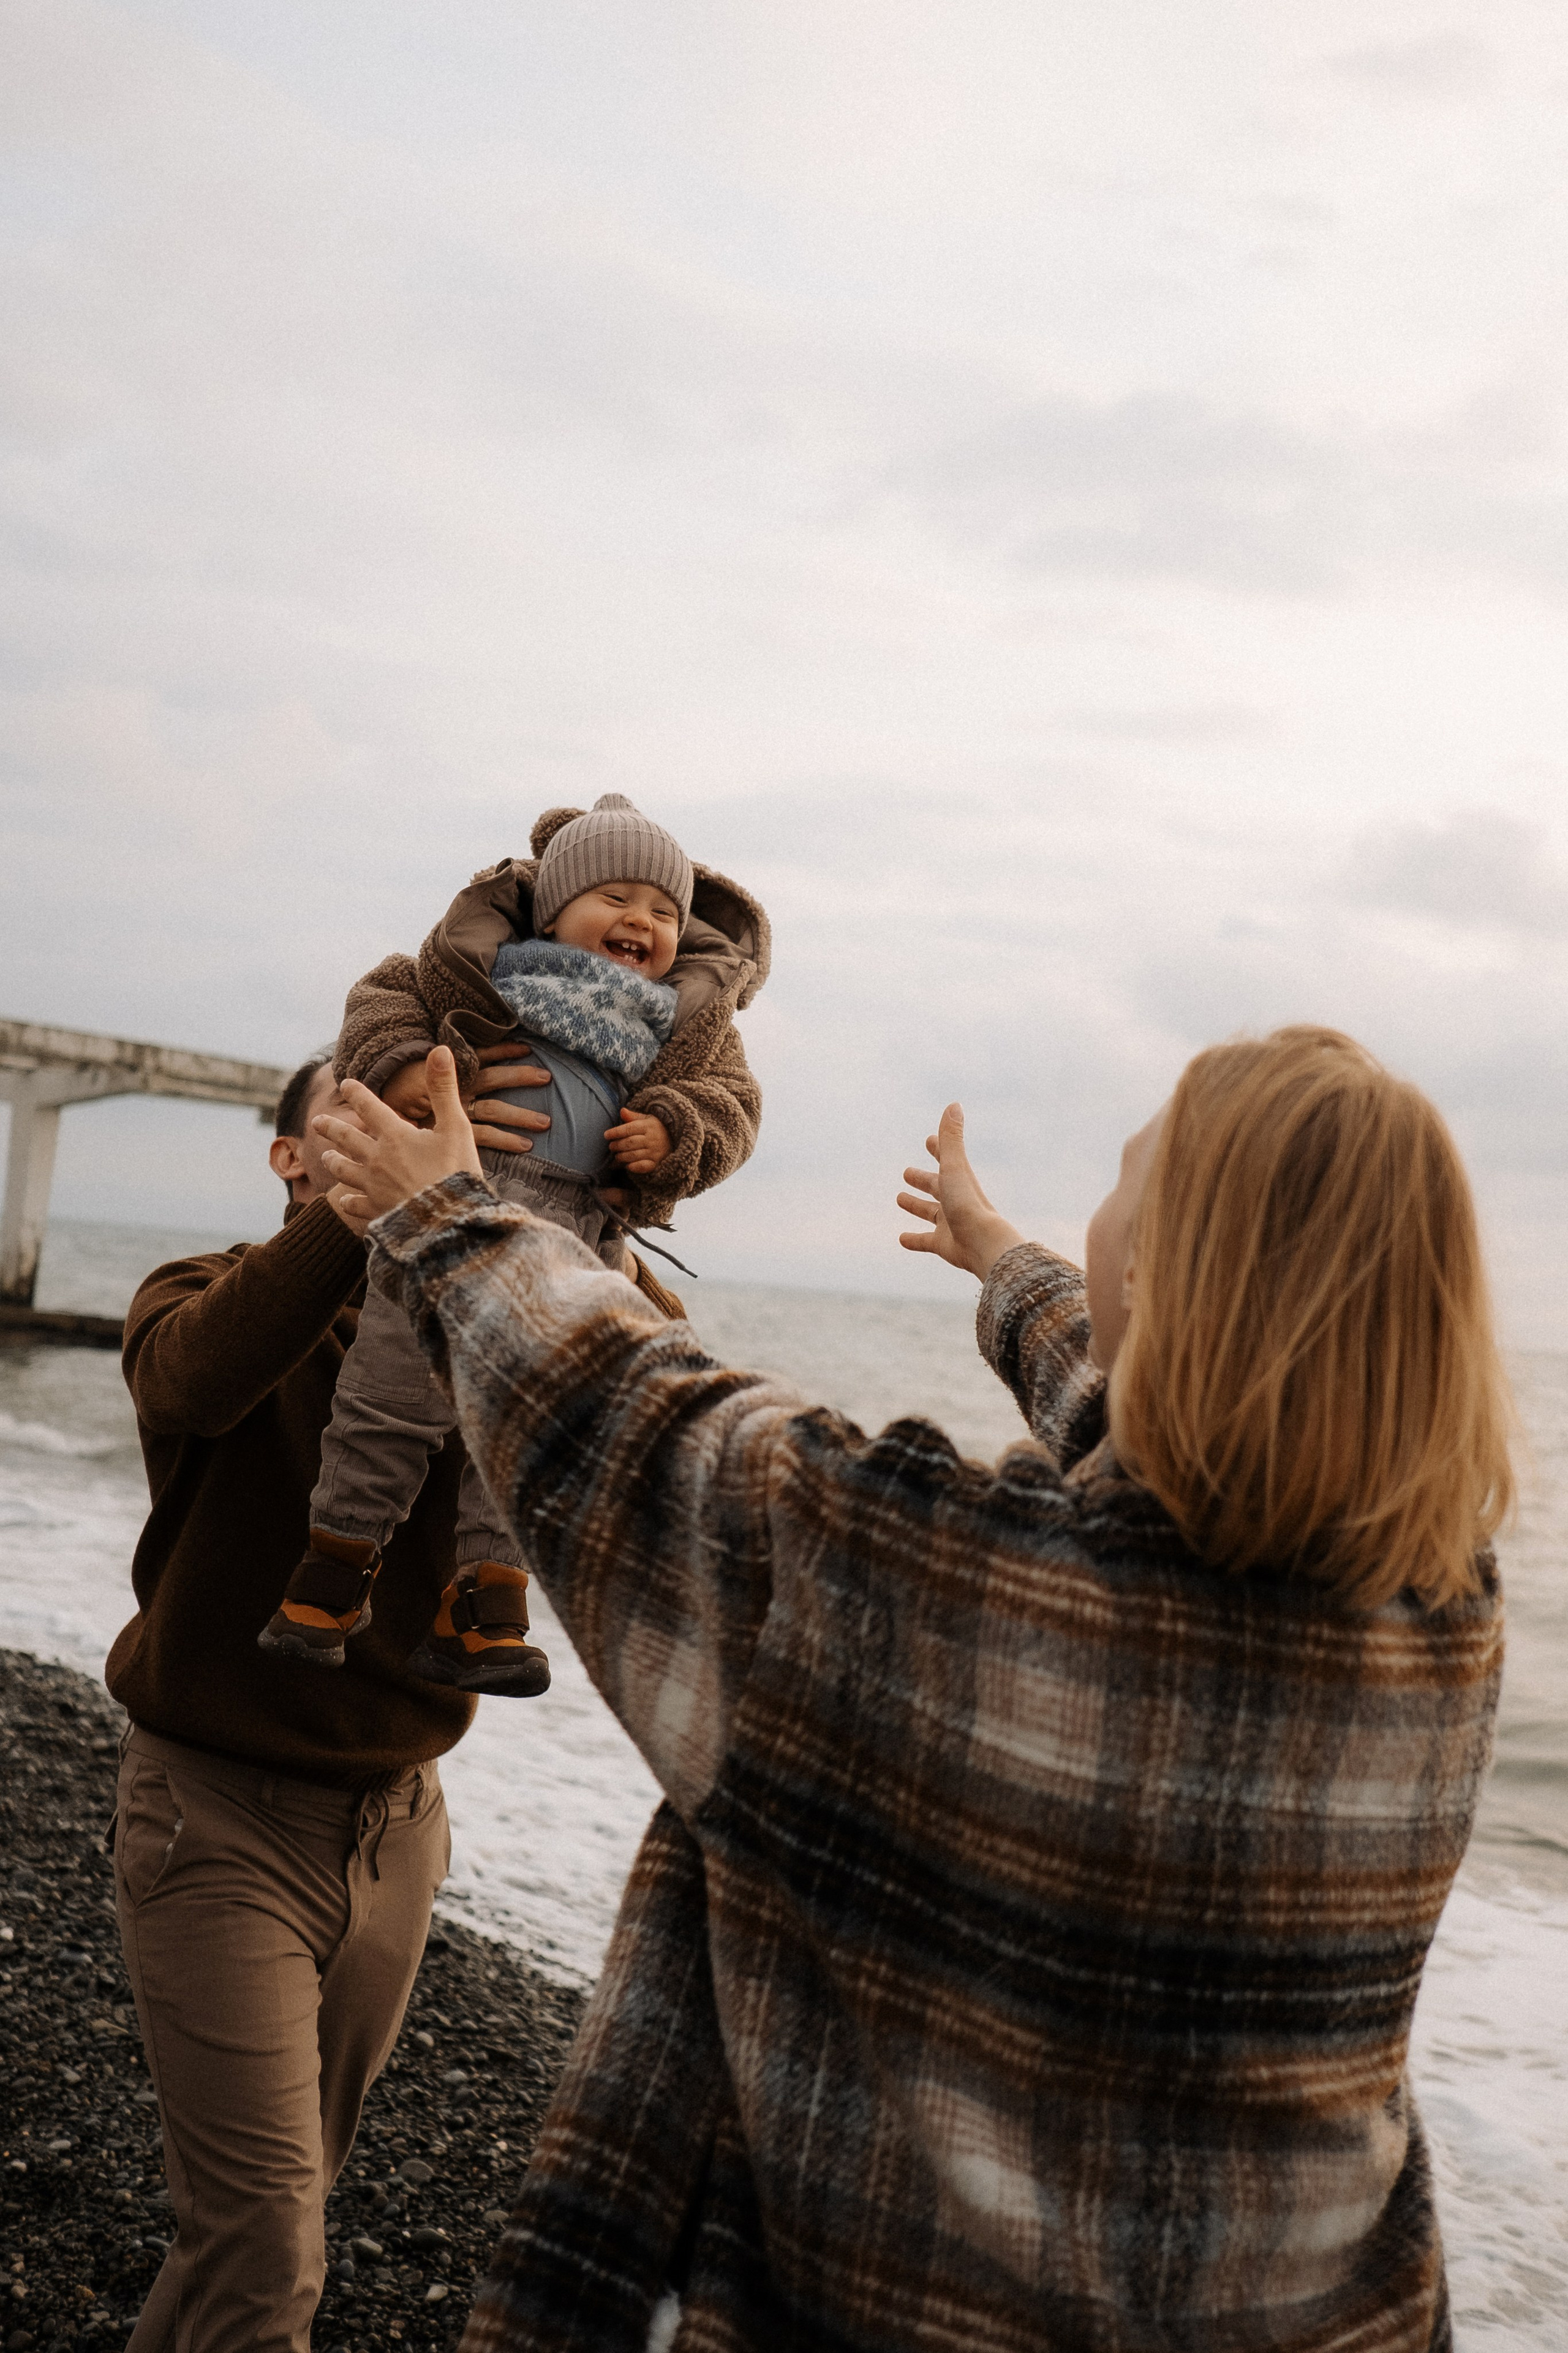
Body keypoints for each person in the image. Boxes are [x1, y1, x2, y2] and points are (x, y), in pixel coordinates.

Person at [316, 1026, 1509, 2353]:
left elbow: (630, 1414)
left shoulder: (918, 1574)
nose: (1099, 1217)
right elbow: (1152, 1438)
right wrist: (1000, 1260)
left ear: (1174, 1270)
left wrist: (444, 1217)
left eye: (1128, 1183)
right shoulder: (1442, 1619)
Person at [107, 1043, 541, 2353]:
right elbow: (188, 1378)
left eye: (436, 1127)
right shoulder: (198, 1292)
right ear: (293, 1152)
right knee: (267, 2245)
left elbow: (627, 1401)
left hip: (399, 1830)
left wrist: (541, 1217)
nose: (410, 1142)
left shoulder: (481, 1328)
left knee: (252, 2230)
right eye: (371, 1120)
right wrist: (364, 1220)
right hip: (213, 1820)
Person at [259, 793, 769, 1696]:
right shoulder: (475, 966)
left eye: (662, 911)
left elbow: (735, 1112)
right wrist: (410, 1071)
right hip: (443, 1207)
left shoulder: (687, 1024)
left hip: (577, 1235)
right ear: (550, 905)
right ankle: (332, 1572)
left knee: (527, 1420)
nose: (640, 922)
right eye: (614, 896)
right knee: (387, 1395)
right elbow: (378, 1004)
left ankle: (487, 1604)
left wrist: (674, 1133)